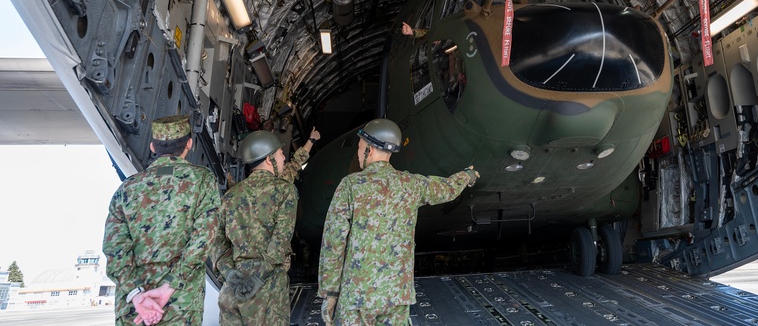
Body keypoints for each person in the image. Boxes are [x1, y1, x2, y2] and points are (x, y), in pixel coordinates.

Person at [318, 119, 478, 325]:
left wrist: (330, 292)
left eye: (359, 148)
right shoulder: (411, 184)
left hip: (358, 297)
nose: (358, 154)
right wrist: (467, 175)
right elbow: (447, 189)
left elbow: (333, 241)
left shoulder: (350, 186)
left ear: (369, 149)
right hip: (397, 295)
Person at [103, 115, 221, 326]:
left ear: (152, 146)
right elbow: (203, 239)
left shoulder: (126, 189)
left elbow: (114, 250)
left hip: (134, 308)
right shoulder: (202, 180)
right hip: (180, 302)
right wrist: (170, 286)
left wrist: (136, 294)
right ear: (189, 144)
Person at [214, 131, 298, 326]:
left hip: (233, 288)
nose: (284, 158)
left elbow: (217, 241)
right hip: (268, 289)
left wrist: (229, 274)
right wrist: (258, 279)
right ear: (269, 159)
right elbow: (281, 239)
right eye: (280, 154)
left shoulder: (229, 197)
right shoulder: (284, 191)